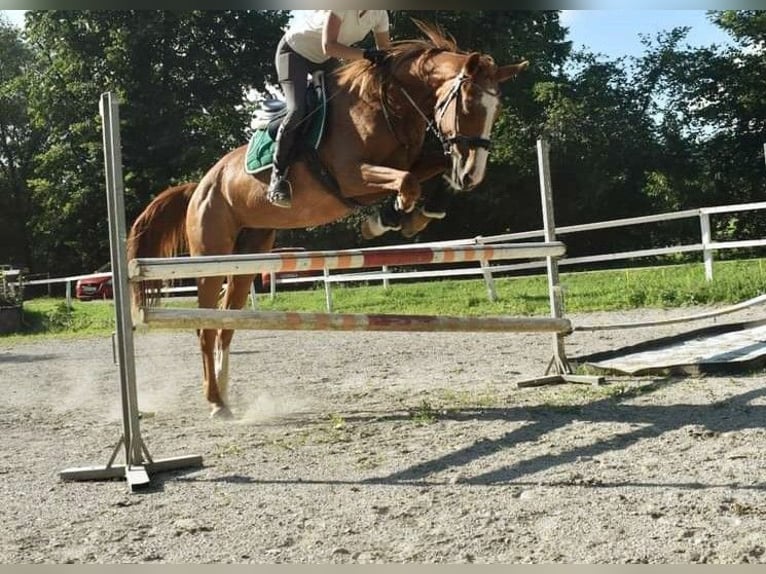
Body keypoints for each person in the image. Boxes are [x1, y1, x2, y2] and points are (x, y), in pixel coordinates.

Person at [267, 10, 392, 208]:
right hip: (294, 52)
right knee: (297, 110)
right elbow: (329, 46)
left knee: (350, 105)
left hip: (325, 60)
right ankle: (277, 178)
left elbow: (386, 55)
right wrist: (366, 55)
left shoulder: (380, 14)